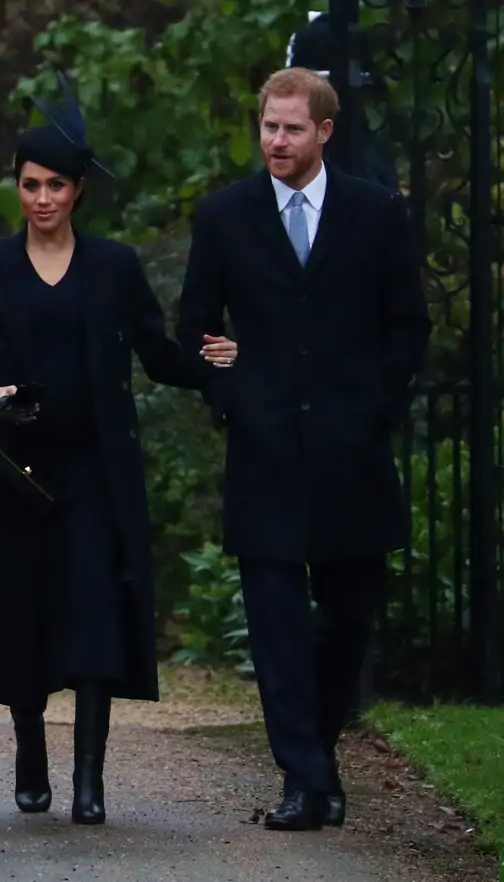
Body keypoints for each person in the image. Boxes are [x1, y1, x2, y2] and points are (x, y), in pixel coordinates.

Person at [0, 76, 237, 825]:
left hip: (96, 467)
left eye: (56, 186)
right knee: (23, 614)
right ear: (17, 187)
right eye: (31, 184)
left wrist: (221, 368)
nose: (42, 198)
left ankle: (89, 780)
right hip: (16, 468)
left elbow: (156, 350)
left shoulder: (113, 266)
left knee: (94, 614)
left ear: (77, 192)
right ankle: (31, 753)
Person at [176, 68, 430, 831]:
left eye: (291, 128)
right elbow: (195, 327)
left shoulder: (378, 213)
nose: (276, 141)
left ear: (324, 131)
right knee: (277, 627)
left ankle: (315, 757)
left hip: (352, 456)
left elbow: (407, 326)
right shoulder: (225, 217)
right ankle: (305, 779)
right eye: (268, 127)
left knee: (346, 622)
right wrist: (233, 397)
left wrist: (375, 412)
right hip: (265, 455)